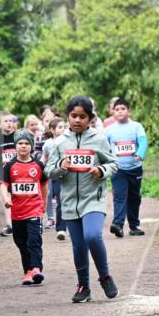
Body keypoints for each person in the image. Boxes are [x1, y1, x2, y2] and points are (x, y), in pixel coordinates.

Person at [45, 96, 120, 303]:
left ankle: (105, 276)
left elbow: (114, 163)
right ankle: (83, 286)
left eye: (82, 117)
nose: (77, 120)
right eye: (73, 116)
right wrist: (61, 165)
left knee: (93, 236)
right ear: (67, 116)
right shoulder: (59, 143)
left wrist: (100, 170)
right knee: (78, 246)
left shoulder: (99, 139)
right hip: (69, 202)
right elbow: (48, 171)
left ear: (90, 118)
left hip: (93, 199)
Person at [0, 133, 49, 286]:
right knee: (21, 242)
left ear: (31, 146)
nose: (23, 146)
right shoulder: (9, 166)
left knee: (34, 240)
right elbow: (3, 185)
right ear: (15, 145)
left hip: (34, 210)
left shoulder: (39, 165)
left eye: (26, 143)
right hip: (17, 212)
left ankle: (36, 269)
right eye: (20, 143)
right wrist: (6, 198)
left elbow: (44, 186)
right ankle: (27, 271)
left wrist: (44, 205)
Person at [104, 97, 148, 237]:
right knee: (119, 196)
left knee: (134, 197)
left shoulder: (136, 126)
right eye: (117, 109)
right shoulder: (109, 130)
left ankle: (134, 226)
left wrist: (139, 154)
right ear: (113, 113)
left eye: (123, 109)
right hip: (118, 169)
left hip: (135, 168)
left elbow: (143, 142)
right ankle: (117, 224)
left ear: (129, 111)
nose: (120, 111)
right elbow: (104, 147)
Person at [0, 112, 18, 237]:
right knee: (6, 199)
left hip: (19, 173)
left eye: (11, 121)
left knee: (19, 197)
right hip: (3, 174)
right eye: (6, 121)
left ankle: (22, 222)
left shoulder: (19, 137)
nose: (9, 123)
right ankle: (9, 224)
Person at [41, 117, 67, 239]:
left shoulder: (69, 141)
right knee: (60, 201)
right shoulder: (48, 143)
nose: (63, 130)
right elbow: (44, 158)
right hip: (56, 175)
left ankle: (74, 226)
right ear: (52, 130)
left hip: (69, 175)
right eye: (60, 127)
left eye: (64, 127)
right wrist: (41, 170)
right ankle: (61, 229)